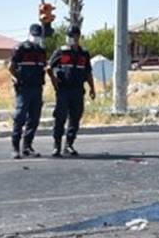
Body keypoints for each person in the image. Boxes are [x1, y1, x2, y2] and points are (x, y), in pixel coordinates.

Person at [47, 25, 95, 157]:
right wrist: (54, 81)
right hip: (63, 90)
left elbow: (88, 72)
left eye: (73, 36)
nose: (71, 38)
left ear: (78, 37)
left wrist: (92, 88)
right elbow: (49, 67)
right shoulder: (61, 52)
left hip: (78, 91)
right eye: (69, 36)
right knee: (60, 118)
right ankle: (57, 146)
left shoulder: (84, 53)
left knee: (75, 118)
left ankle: (69, 145)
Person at [9, 24, 49, 158]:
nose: (36, 38)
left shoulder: (42, 50)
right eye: (34, 35)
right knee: (20, 116)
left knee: (34, 118)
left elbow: (44, 67)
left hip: (37, 88)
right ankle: (15, 147)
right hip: (24, 88)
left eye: (38, 35)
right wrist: (16, 78)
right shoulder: (20, 48)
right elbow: (11, 67)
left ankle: (27, 146)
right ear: (29, 34)